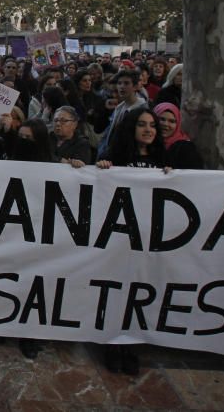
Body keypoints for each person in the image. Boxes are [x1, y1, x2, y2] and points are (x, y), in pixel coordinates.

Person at [96, 108, 169, 376]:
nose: (148, 129)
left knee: (141, 290)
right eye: (141, 125)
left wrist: (173, 176)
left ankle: (132, 343)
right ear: (130, 128)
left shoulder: (163, 159)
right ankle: (112, 344)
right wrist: (102, 170)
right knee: (116, 291)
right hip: (118, 238)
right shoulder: (114, 158)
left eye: (152, 125)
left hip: (149, 238)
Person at [153, 103, 204, 169]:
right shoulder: (146, 143)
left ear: (178, 124)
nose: (166, 124)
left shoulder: (185, 148)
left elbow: (194, 174)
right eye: (162, 119)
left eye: (171, 121)